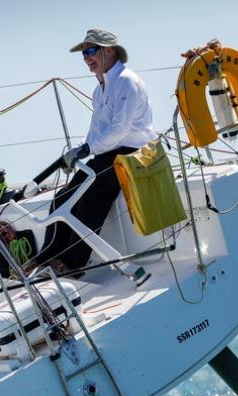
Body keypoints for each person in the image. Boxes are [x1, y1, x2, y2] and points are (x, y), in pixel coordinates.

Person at [37, 29, 157, 273]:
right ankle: (48, 255)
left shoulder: (126, 81)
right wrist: (80, 149)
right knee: (64, 196)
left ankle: (72, 264)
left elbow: (120, 129)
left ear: (109, 50)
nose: (87, 58)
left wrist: (87, 149)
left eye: (91, 51)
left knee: (92, 197)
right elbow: (97, 131)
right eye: (84, 54)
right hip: (108, 154)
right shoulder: (99, 89)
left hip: (133, 154)